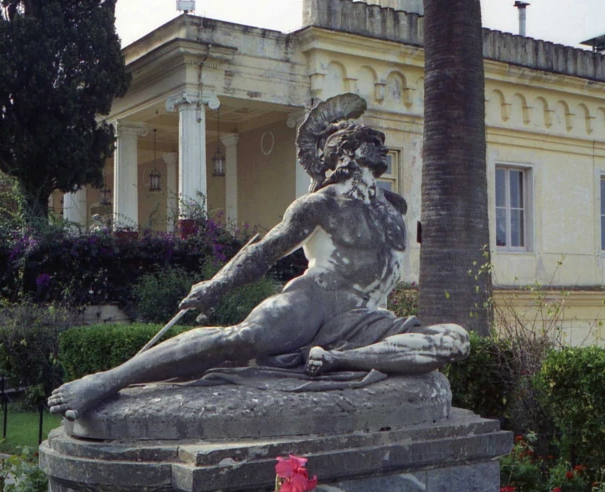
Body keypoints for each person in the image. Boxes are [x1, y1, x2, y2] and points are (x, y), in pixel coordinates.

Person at [49, 94, 469, 421]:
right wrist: (217, 285)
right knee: (242, 340)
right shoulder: (320, 204)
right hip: (316, 299)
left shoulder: (395, 208)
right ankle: (107, 380)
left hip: (368, 318)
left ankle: (335, 361)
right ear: (346, 153)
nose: (380, 146)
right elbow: (265, 251)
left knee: (452, 340)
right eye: (369, 142)